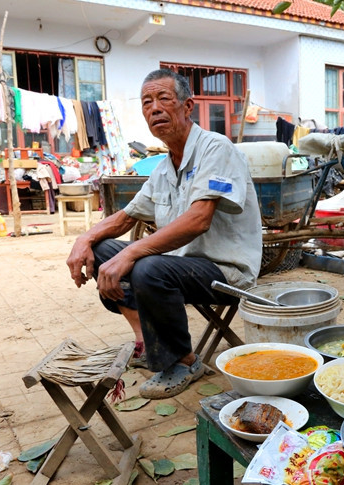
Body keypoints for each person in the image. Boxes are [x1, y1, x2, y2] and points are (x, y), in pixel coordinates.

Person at [67, 69, 261, 399]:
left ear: (187, 106)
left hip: (225, 271)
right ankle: (146, 340)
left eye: (164, 99)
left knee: (146, 266)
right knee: (102, 250)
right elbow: (125, 217)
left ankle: (184, 362)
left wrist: (132, 252)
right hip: (179, 266)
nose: (155, 108)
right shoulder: (163, 168)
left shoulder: (216, 148)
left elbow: (199, 220)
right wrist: (84, 239)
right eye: (147, 102)